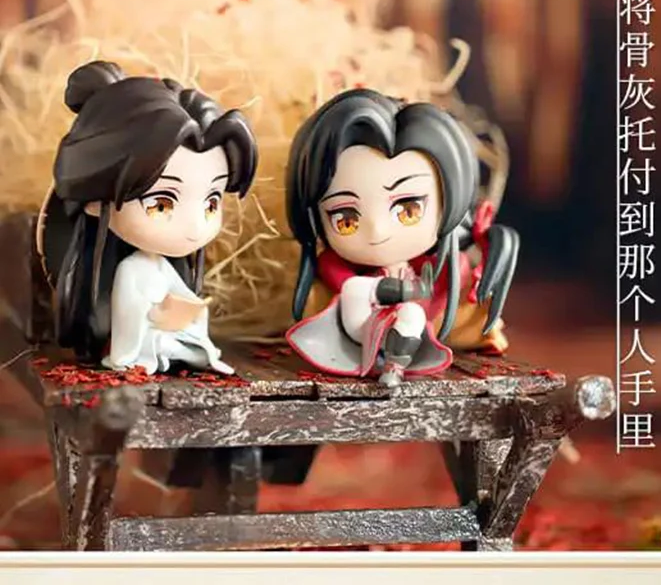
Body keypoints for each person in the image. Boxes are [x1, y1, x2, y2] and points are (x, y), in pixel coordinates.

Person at [284, 88, 520, 388]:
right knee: (357, 289)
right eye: (346, 219)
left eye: (409, 210)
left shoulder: (437, 267)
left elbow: (440, 290)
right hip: (358, 323)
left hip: (408, 324)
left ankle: (395, 365)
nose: (378, 232)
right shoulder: (334, 269)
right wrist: (399, 290)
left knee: (412, 314)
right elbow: (343, 282)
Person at [37, 60, 258, 375]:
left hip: (161, 334)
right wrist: (156, 316)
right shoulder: (130, 270)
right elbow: (129, 315)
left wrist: (192, 313)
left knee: (189, 346)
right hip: (137, 342)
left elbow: (183, 297)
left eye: (211, 203)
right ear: (95, 202)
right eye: (161, 204)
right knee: (163, 344)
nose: (195, 227)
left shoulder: (160, 266)